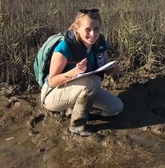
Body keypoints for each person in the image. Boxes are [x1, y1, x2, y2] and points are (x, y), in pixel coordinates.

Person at [40, 8, 123, 136]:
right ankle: (77, 126)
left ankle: (75, 109)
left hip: (84, 88)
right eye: (87, 29)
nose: (93, 34)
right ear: (77, 29)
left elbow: (105, 67)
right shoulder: (64, 47)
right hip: (52, 94)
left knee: (116, 108)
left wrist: (113, 69)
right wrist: (75, 71)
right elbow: (52, 81)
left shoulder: (99, 42)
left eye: (96, 29)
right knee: (93, 81)